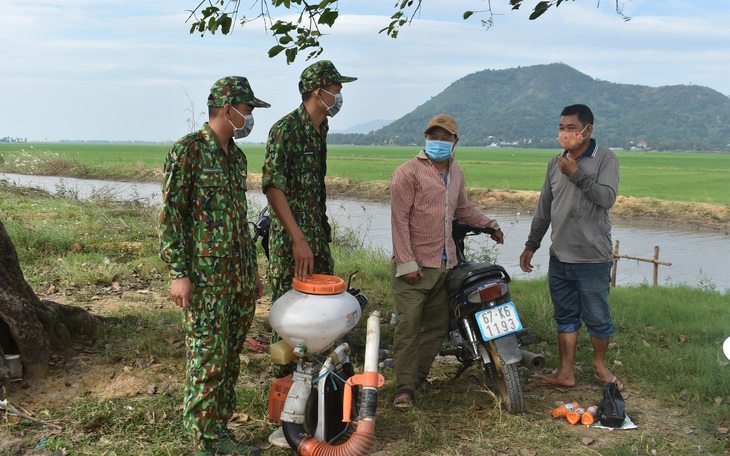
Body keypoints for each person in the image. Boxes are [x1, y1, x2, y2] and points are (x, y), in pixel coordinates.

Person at [158, 76, 268, 456]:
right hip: (204, 281)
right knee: (207, 358)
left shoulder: (236, 157)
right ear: (228, 110)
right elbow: (172, 215)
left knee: (229, 357)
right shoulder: (188, 151)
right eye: (248, 110)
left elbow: (239, 221)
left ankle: (220, 429)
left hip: (236, 279)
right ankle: (206, 441)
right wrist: (178, 273)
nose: (250, 117)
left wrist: (250, 270)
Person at [390, 114, 504, 409]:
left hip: (445, 265)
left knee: (436, 326)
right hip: (414, 267)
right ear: (425, 138)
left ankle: (417, 377)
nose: (438, 142)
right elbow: (399, 221)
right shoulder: (408, 172)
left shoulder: (456, 173)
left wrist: (489, 224)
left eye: (445, 138)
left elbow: (463, 207)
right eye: (433, 136)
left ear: (455, 142)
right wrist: (406, 263)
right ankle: (403, 388)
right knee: (408, 326)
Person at [519, 103, 622, 390]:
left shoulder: (605, 159)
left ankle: (601, 368)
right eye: (562, 128)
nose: (565, 134)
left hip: (592, 258)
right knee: (565, 316)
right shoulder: (555, 162)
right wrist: (532, 244)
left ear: (588, 130)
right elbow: (544, 208)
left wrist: (576, 174)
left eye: (571, 128)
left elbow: (606, 197)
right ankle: (565, 373)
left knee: (597, 317)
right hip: (560, 257)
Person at [262, 60, 357, 302]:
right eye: (336, 91)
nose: (339, 97)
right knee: (290, 310)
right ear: (319, 92)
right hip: (290, 242)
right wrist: (298, 240)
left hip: (316, 236)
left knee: (322, 306)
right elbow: (273, 188)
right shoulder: (286, 130)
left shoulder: (321, 128)